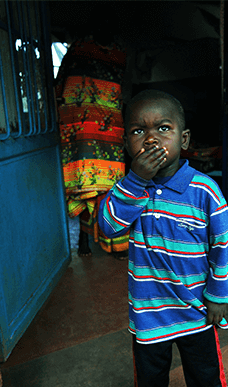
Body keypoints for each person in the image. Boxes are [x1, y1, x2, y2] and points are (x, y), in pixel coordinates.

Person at [98, 90, 228, 387]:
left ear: (183, 140)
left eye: (162, 128)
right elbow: (107, 226)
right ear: (125, 142)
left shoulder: (204, 191)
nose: (150, 138)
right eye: (138, 131)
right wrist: (135, 181)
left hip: (196, 309)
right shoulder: (128, 189)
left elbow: (224, 245)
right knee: (149, 375)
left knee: (206, 374)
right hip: (149, 311)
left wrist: (218, 295)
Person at [55, 37, 129, 258]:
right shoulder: (79, 50)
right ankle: (84, 239)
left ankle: (113, 243)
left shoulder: (118, 55)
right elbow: (62, 87)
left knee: (112, 190)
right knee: (83, 187)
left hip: (110, 132)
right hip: (80, 130)